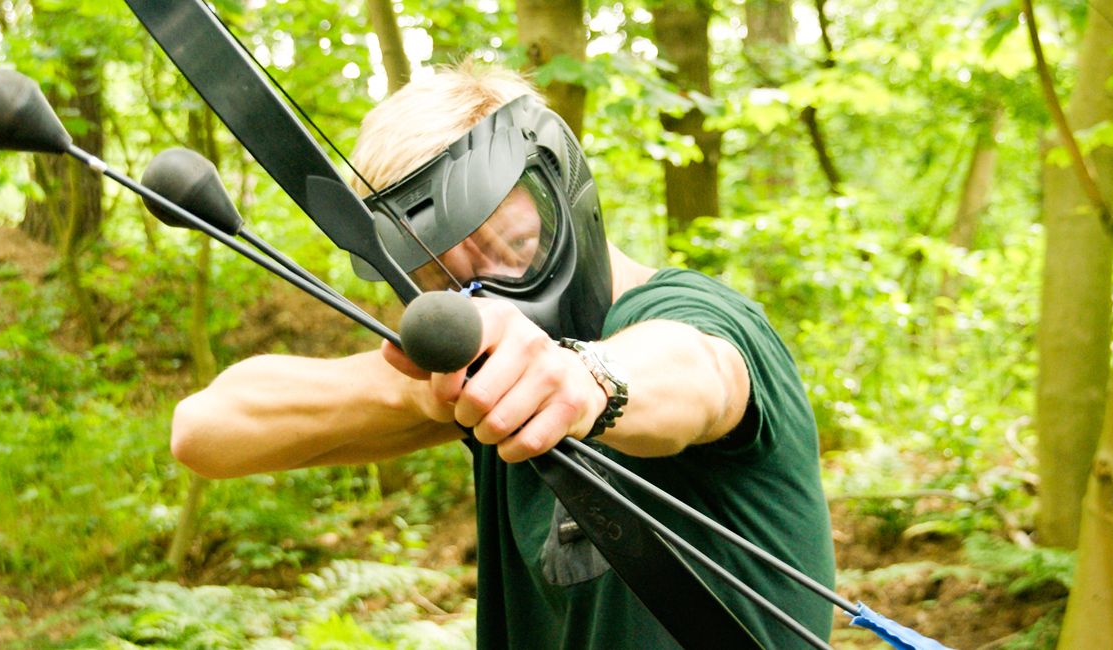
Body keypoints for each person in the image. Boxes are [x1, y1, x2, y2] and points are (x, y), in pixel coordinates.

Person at [170, 63, 835, 648]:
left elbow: (699, 375)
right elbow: (207, 431)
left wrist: (585, 379)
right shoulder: (480, 379)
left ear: (563, 190)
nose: (495, 299)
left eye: (517, 246)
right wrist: (421, 392)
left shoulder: (697, 318)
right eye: (451, 287)